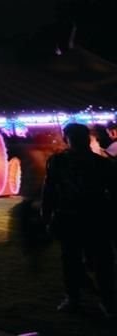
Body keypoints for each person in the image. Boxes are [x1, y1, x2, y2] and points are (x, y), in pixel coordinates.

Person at [41, 122, 116, 318]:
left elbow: (49, 191)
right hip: (93, 217)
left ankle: (76, 298)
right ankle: (104, 300)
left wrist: (46, 215)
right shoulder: (101, 163)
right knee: (99, 261)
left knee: (74, 260)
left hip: (75, 217)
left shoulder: (58, 161)